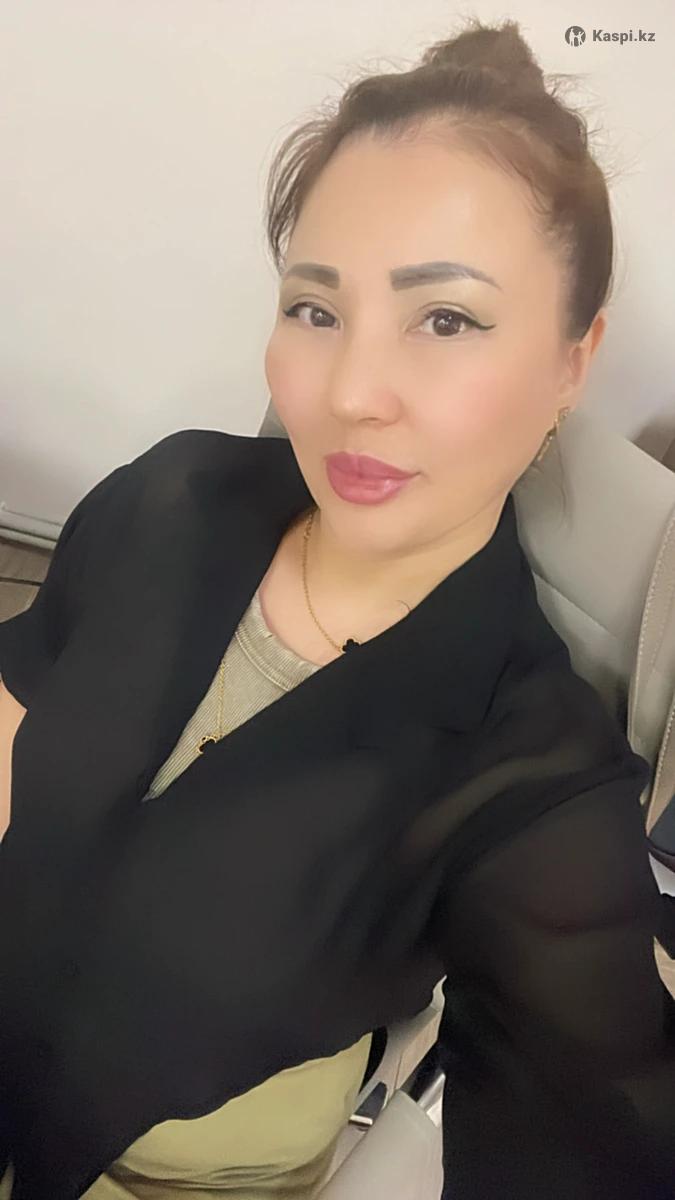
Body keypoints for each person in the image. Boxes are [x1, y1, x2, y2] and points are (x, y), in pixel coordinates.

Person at [1, 15, 674, 1200]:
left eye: (447, 319)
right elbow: (23, 700)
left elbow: (595, 1116)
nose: (351, 392)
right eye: (315, 309)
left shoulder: (533, 786)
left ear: (573, 361)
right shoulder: (173, 496)